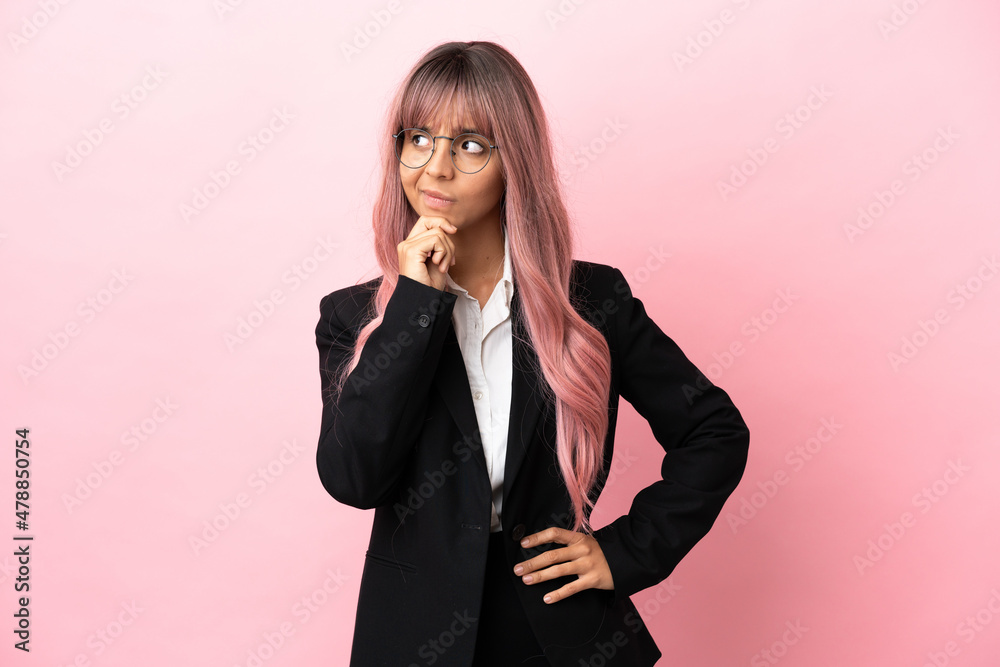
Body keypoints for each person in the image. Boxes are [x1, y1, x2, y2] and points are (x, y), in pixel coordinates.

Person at [314, 40, 750, 667]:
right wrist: (414, 305)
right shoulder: (353, 317)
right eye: (418, 138)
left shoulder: (593, 301)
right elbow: (354, 480)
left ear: (513, 160)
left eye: (470, 145)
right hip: (414, 639)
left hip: (564, 635)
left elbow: (714, 431)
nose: (435, 168)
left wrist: (626, 550)